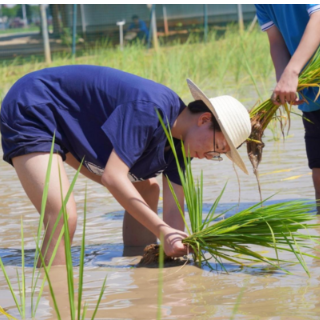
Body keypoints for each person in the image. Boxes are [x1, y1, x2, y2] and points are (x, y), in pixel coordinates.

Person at [0, 65, 251, 266]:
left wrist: (179, 247)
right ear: (204, 120)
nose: (210, 156)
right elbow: (113, 177)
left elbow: (175, 212)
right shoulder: (150, 109)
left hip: (71, 127)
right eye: (217, 147)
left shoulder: (181, 148)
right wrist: (162, 230)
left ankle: (137, 261)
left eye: (218, 154)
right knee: (63, 215)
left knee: (148, 188)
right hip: (34, 106)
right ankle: (56, 296)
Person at [254, 4, 320, 213]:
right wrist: (284, 80)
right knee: (318, 172)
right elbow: (276, 40)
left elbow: (318, 17)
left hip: (304, 74)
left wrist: (291, 72)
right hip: (312, 96)